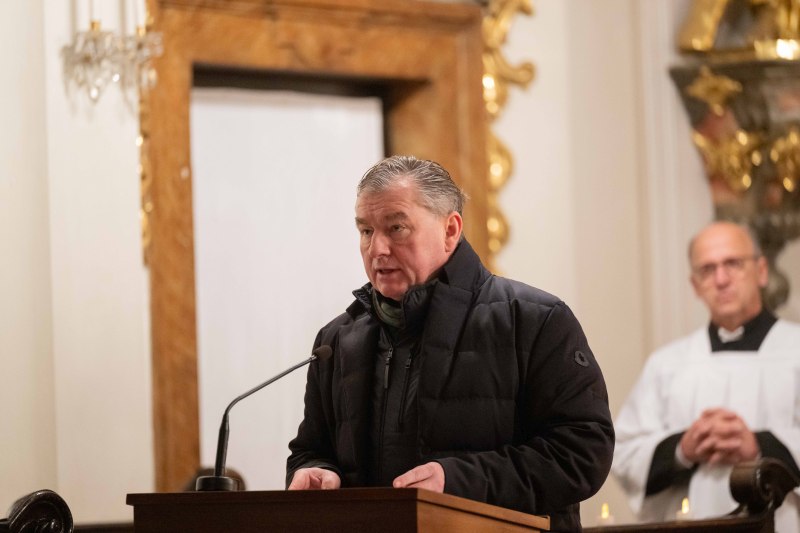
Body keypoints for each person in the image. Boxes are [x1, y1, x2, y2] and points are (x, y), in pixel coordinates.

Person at [285, 155, 614, 532]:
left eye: (396, 228)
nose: (377, 249)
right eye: (366, 231)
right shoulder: (336, 340)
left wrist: (460, 482)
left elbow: (582, 452)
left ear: (450, 230)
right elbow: (310, 450)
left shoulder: (534, 320)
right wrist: (316, 471)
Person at [612, 221, 800, 531]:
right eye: (707, 269)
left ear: (761, 271)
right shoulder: (667, 364)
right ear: (695, 285)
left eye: (733, 264)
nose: (721, 279)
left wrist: (759, 445)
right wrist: (682, 449)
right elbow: (623, 453)